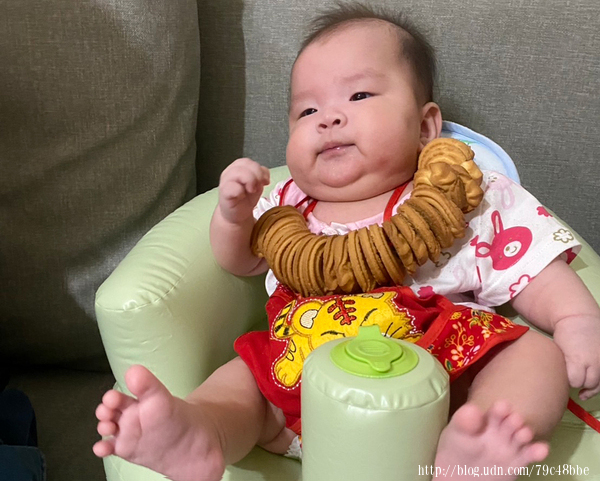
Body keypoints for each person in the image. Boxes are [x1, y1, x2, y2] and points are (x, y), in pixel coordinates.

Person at [92, 4, 600, 481]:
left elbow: (531, 264)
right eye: (307, 110)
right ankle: (204, 432)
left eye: (358, 97)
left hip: (442, 377)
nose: (328, 118)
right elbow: (240, 260)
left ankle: (477, 446)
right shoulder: (287, 206)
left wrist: (576, 320)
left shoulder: (460, 197)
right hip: (300, 361)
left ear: (426, 126)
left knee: (533, 356)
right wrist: (233, 215)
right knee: (242, 378)